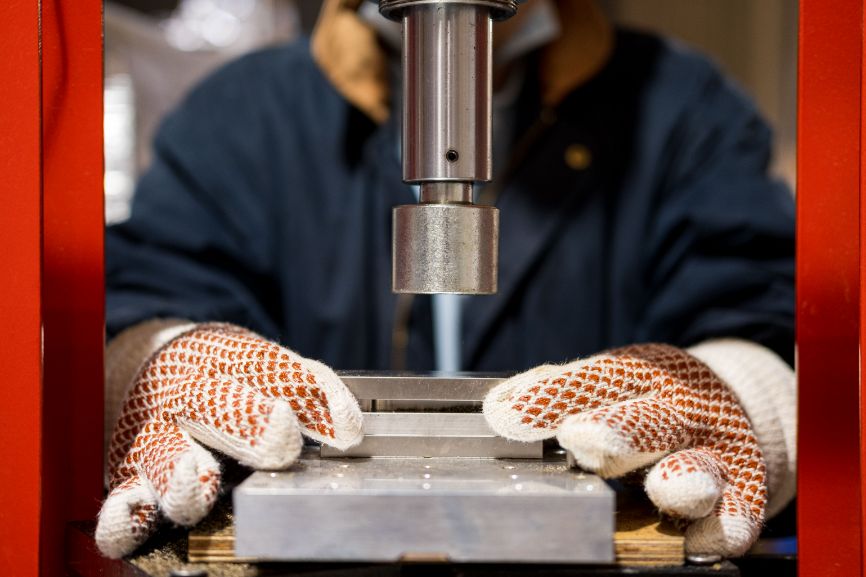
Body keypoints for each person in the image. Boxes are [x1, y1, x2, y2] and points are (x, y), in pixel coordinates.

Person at [96, 0, 796, 562]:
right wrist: (153, 365)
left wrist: (748, 399)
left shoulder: (682, 110)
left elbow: (760, 310)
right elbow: (154, 289)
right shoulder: (241, 115)